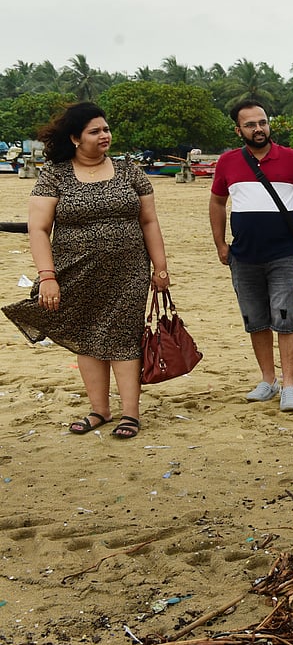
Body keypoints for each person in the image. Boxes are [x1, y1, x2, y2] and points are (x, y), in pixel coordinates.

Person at [3, 102, 170, 440]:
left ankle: (130, 415)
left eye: (106, 129)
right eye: (95, 131)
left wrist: (161, 267)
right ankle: (99, 410)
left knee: (124, 337)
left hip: (129, 270)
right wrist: (47, 276)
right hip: (74, 270)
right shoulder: (55, 175)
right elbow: (38, 229)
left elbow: (149, 221)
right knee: (87, 337)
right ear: (76, 138)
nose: (104, 135)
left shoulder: (128, 171)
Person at [209, 99, 293, 411]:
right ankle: (267, 380)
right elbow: (217, 203)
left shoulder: (290, 158)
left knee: (285, 317)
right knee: (256, 320)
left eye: (262, 122)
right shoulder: (227, 162)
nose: (258, 129)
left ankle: (289, 385)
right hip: (243, 256)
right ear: (238, 130)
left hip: (284, 254)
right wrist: (221, 244)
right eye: (250, 124)